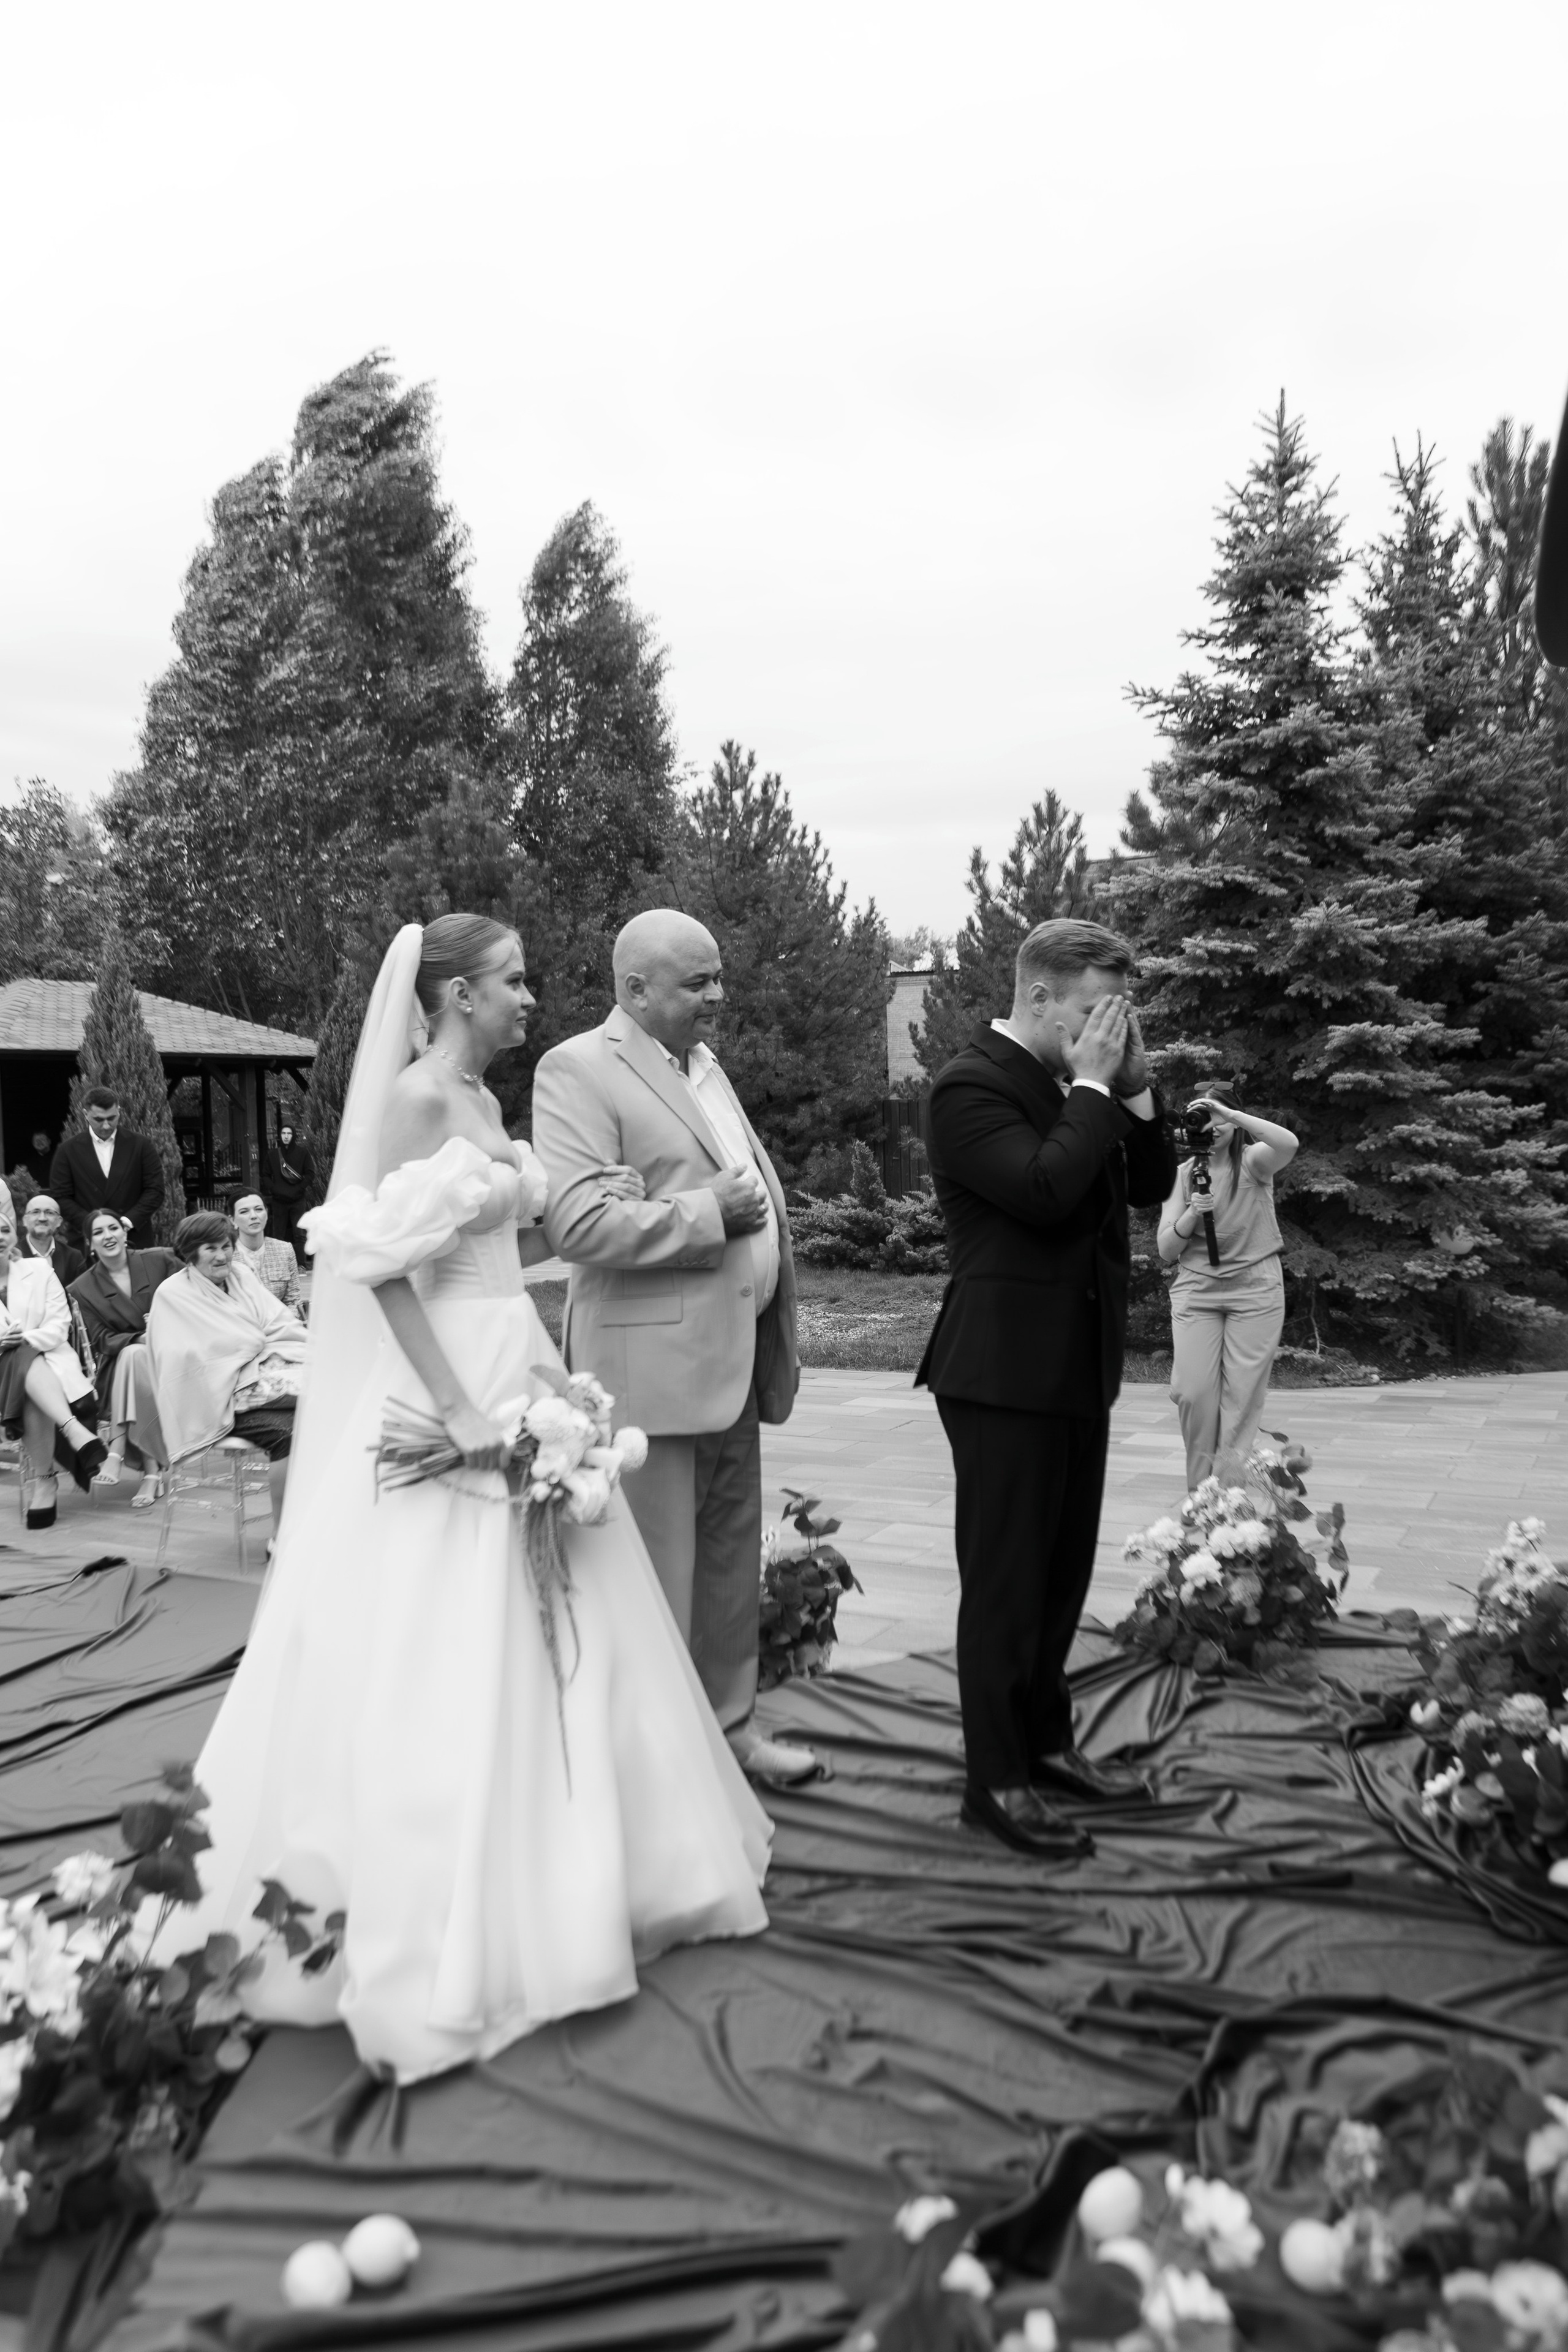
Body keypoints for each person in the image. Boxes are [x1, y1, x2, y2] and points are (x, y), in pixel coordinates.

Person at [146, 916, 770, 2084]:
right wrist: (461, 1411)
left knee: (574, 1625)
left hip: (512, 1360)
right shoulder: (422, 1102)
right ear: (455, 997)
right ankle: (460, 1907)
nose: (533, 998)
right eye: (514, 982)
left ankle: (596, 1870)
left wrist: (545, 1371)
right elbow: (378, 1267)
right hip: (447, 1389)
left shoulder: (485, 1105)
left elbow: (486, 1263)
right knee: (448, 1636)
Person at [531, 909, 815, 1791]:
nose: (719, 996)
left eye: (717, 977)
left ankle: (730, 1737)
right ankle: (651, 1774)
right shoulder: (577, 1068)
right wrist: (706, 1215)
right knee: (654, 1583)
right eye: (699, 983)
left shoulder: (704, 1068)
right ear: (635, 990)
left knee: (729, 1574)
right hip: (646, 1381)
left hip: (732, 1361)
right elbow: (576, 1224)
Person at [918, 918, 1178, 1858]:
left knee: (1061, 1574)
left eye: (1121, 1009)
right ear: (1038, 996)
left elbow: (1148, 1185)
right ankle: (995, 1781)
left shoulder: (1087, 1085)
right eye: (1093, 1008)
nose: (1110, 1025)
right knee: (1006, 1582)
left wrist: (1135, 1087)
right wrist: (1098, 1087)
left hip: (1077, 1361)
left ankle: (1047, 1747)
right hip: (1000, 1370)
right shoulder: (969, 1085)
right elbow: (1044, 1190)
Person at [1158, 1085, 1298, 1490]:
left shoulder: (1253, 1160)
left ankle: (1226, 1497)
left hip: (1255, 1290)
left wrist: (1230, 1114)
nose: (1214, 1126)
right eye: (1204, 1117)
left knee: (1241, 1400)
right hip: (1198, 1290)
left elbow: (1288, 1143)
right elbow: (1167, 1249)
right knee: (1193, 1393)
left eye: (1219, 1117)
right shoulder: (1182, 1175)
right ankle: (1201, 1492)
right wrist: (1190, 1216)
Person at [146, 1212, 308, 1529]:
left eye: (226, 1246)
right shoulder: (172, 1294)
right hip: (217, 1400)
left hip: (264, 1382)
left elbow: (279, 1323)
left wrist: (259, 1347)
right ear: (191, 1253)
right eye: (210, 1248)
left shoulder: (242, 1276)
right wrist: (253, 1344)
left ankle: (315, 1522)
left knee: (324, 1407)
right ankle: (283, 1535)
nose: (222, 1256)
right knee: (288, 1434)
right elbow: (187, 1359)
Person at [0, 1208, 107, 1528]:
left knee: (25, 1366)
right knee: (19, 1361)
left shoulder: (39, 1270)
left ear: (14, 1236)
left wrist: (18, 1340)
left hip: (47, 1363)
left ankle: (45, 1480)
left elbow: (60, 1326)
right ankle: (74, 1430)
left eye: (3, 1230)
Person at [70, 1208, 179, 1506]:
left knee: (135, 1356)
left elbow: (193, 1294)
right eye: (98, 1232)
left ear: (125, 1232)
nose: (108, 1236)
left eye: (113, 1228)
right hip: (117, 1368)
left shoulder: (160, 1260)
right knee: (134, 1355)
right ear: (89, 1243)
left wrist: (164, 1320)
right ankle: (151, 1471)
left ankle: (117, 1452)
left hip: (174, 1357)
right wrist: (140, 1338)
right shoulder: (82, 1288)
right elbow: (100, 1339)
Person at [50, 1087, 165, 1249]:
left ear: (119, 1111)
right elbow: (61, 1196)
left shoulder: (141, 1145)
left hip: (134, 1239)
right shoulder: (67, 1150)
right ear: (85, 1114)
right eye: (98, 1119)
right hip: (86, 1241)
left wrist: (127, 1222)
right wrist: (94, 1224)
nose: (106, 1126)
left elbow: (155, 1190)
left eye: (111, 1118)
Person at [232, 1192, 303, 1310]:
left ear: (267, 1212)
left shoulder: (285, 1250)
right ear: (232, 1220)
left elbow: (294, 1301)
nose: (254, 1216)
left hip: (281, 1324)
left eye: (259, 1209)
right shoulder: (227, 1254)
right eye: (244, 1212)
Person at [263, 1124, 312, 1254]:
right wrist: (274, 1189)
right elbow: (265, 1175)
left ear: (293, 1135)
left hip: (298, 1200)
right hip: (279, 1200)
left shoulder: (303, 1153)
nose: (286, 1136)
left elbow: (310, 1173)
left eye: (289, 1134)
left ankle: (301, 1265)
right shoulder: (273, 1155)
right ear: (280, 1136)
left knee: (299, 1233)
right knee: (278, 1235)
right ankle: (280, 1264)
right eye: (283, 1133)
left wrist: (300, 1189)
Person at [20, 1192, 86, 1288]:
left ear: (59, 1221)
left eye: (49, 1213)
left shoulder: (74, 1258)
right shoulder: (12, 1256)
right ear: (25, 1220)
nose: (42, 1218)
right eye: (35, 1212)